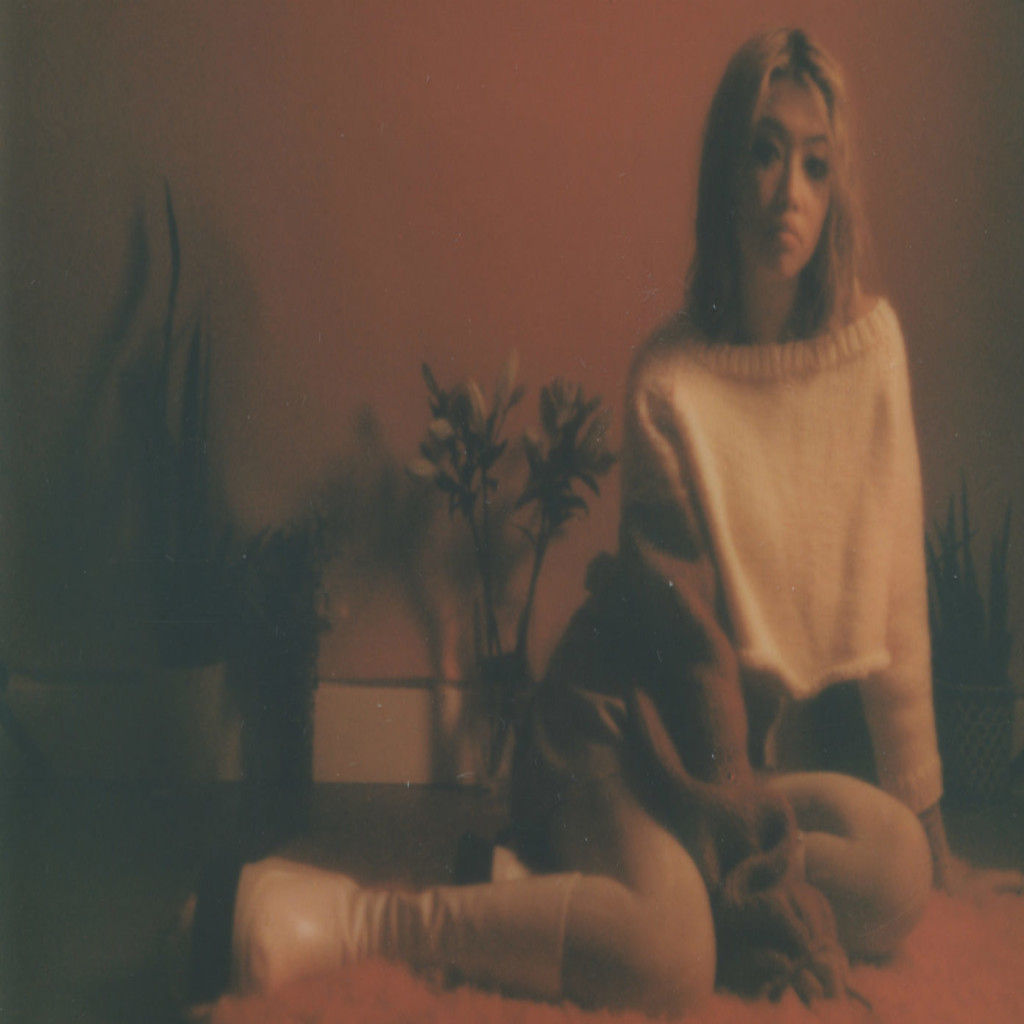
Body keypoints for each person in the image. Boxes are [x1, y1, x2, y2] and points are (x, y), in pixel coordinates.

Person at [170, 28, 1021, 1017]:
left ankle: (546, 894)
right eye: (763, 152)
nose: (789, 191)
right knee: (673, 959)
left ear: (837, 190)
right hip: (619, 731)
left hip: (729, 766)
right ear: (725, 171)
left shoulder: (870, 351)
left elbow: (898, 603)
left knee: (897, 870)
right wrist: (757, 872)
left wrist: (933, 828)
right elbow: (688, 651)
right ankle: (357, 917)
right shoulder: (670, 379)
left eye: (816, 164)